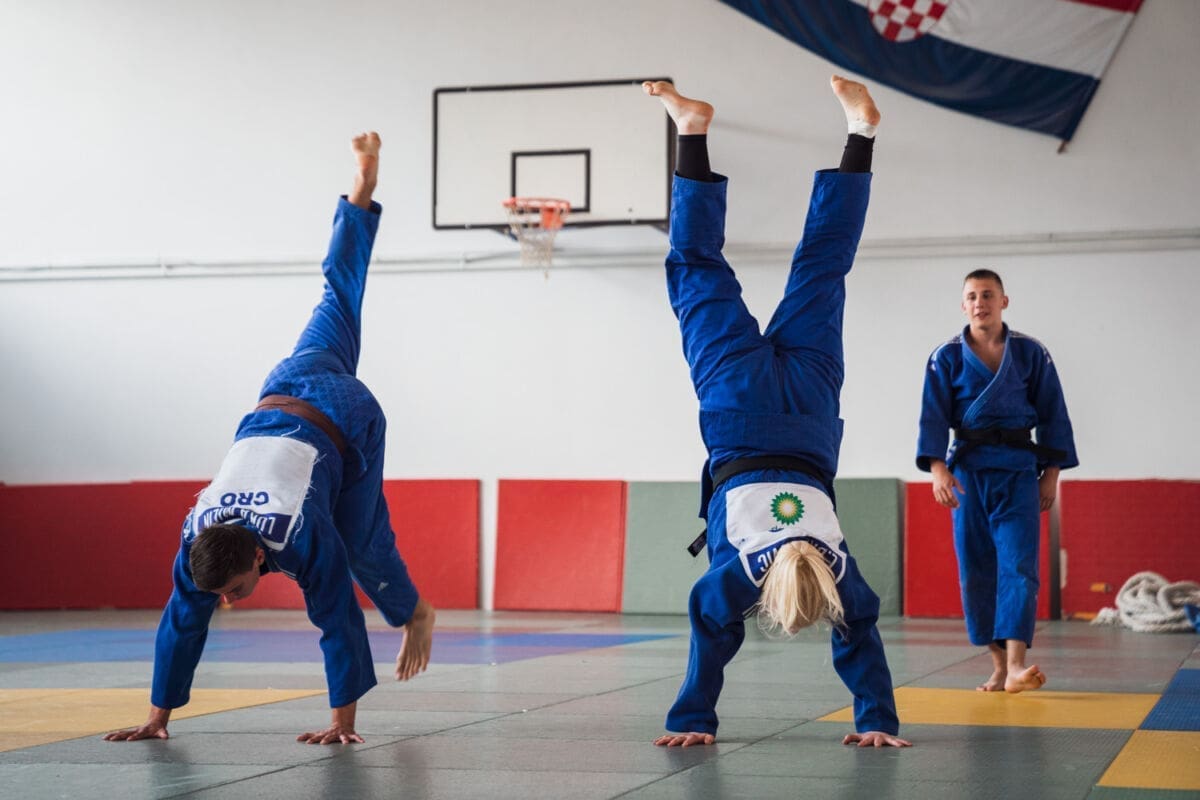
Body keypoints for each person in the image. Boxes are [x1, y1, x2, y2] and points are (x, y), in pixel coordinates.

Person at [104, 132, 435, 746]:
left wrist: (341, 725)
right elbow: (183, 622)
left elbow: (336, 617)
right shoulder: (199, 543)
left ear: (259, 556)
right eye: (224, 595)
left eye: (233, 590)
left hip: (347, 420)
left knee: (361, 544)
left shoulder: (298, 536)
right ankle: (359, 196)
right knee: (338, 294)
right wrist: (157, 719)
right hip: (290, 382)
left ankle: (413, 610)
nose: (230, 601)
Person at [644, 77, 909, 749]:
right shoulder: (742, 574)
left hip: (811, 415)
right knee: (695, 266)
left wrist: (878, 719)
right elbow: (709, 624)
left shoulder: (839, 571)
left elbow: (860, 632)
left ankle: (861, 134)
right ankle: (692, 129)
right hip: (736, 412)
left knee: (823, 268)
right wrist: (692, 719)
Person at [917, 269, 1077, 693]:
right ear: (963, 305)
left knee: (1020, 565)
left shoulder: (1031, 352)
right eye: (972, 296)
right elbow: (932, 415)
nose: (979, 303)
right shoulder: (945, 356)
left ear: (1004, 301)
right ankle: (999, 666)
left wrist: (1052, 475)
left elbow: (1054, 414)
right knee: (976, 569)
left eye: (988, 295)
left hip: (1019, 470)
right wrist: (937, 469)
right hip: (968, 473)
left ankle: (1018, 664)